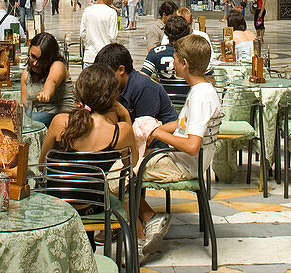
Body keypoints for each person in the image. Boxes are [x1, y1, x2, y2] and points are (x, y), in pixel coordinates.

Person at [137, 35, 221, 255]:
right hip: (181, 159)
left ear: (184, 64)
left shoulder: (202, 96)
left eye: (175, 58)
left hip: (184, 165)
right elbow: (181, 124)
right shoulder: (200, 89)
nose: (172, 62)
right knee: (132, 160)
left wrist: (158, 134)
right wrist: (155, 128)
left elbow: (192, 145)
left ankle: (148, 223)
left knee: (121, 174)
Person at [38, 63, 138, 206]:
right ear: (113, 96)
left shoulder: (60, 122)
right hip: (93, 205)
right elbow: (131, 164)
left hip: (57, 206)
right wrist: (125, 115)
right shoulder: (120, 132)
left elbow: (43, 165)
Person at [95, 43, 178, 126]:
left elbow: (143, 132)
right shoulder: (116, 86)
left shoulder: (144, 88)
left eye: (106, 74)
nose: (103, 79)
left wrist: (124, 114)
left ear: (121, 70)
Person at [142, 15, 215, 97]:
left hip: (165, 102)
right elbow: (211, 80)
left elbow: (143, 77)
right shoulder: (194, 52)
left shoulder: (156, 52)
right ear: (188, 32)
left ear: (166, 33)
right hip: (189, 99)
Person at [21, 32, 75, 126]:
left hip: (63, 118)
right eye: (32, 57)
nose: (35, 63)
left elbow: (52, 81)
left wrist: (46, 93)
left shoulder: (58, 65)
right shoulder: (26, 75)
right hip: (43, 119)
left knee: (31, 120)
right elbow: (25, 105)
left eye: (41, 60)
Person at [80, 0, 118, 65]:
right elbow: (112, 37)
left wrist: (90, 44)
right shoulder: (111, 13)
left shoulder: (87, 10)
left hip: (89, 57)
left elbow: (82, 33)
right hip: (106, 59)